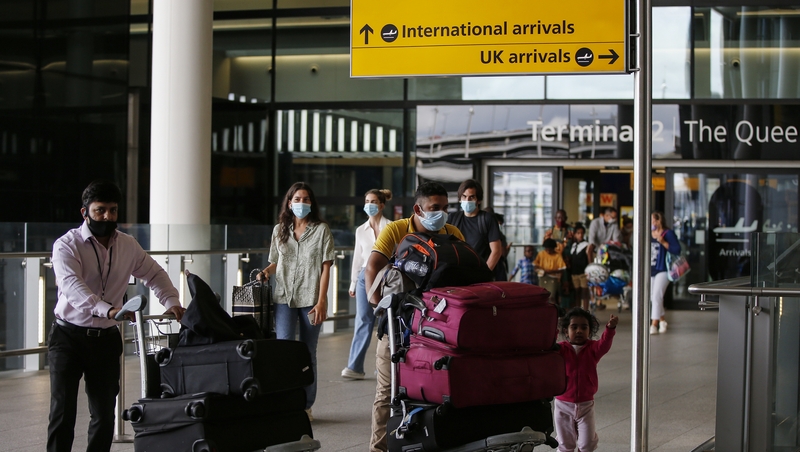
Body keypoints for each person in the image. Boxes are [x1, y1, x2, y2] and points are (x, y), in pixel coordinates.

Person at [48, 180, 185, 452]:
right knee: (62, 413)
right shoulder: (66, 245)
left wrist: (171, 302)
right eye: (100, 211)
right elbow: (73, 288)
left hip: (105, 339)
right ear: (84, 212)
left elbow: (155, 274)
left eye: (113, 210)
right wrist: (109, 309)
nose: (108, 217)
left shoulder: (128, 245)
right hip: (68, 337)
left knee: (103, 414)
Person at [365, 182, 465, 452]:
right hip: (398, 325)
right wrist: (379, 306)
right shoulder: (397, 230)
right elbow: (372, 267)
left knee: (435, 391)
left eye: (445, 208)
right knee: (387, 391)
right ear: (418, 209)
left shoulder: (452, 233)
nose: (441, 214)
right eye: (434, 208)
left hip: (436, 329)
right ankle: (379, 448)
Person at [258, 182, 335, 421]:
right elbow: (275, 261)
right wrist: (267, 272)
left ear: (311, 203)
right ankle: (285, 400)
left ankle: (305, 404)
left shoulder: (321, 230)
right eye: (297, 199)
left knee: (307, 352)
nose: (301, 203)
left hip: (311, 299)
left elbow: (326, 267)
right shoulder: (279, 230)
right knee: (284, 351)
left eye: (306, 199)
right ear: (289, 203)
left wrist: (322, 301)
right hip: (283, 299)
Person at [341, 188, 392, 380]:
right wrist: (353, 283)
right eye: (367, 201)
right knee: (363, 320)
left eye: (373, 202)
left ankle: (384, 367)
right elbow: (357, 257)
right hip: (364, 276)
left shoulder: (391, 226)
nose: (369, 205)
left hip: (387, 276)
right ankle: (354, 367)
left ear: (381, 205)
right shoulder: (360, 230)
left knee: (386, 321)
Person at [554, 308, 618, 452]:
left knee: (587, 444)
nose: (579, 331)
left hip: (586, 405)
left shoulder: (593, 349)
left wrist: (610, 329)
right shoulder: (561, 349)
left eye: (584, 327)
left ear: (590, 330)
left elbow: (604, 344)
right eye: (574, 327)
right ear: (566, 330)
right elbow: (547, 346)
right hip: (563, 405)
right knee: (565, 444)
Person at [447, 179, 503, 274]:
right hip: (458, 274)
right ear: (460, 199)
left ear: (479, 200)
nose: (467, 200)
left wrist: (484, 274)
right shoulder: (452, 218)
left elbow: (496, 251)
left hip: (480, 274)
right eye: (464, 196)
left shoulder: (487, 219)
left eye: (471, 197)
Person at [650, 210, 681, 335]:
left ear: (659, 221)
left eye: (653, 220)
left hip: (664, 269)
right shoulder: (648, 234)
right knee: (653, 297)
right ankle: (662, 320)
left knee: (657, 295)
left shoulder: (668, 234)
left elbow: (677, 249)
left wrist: (663, 242)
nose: (651, 223)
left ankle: (654, 324)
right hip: (651, 269)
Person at [534, 238, 567, 304]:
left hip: (553, 278)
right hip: (542, 277)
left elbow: (562, 269)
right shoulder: (541, 254)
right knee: (542, 297)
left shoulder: (557, 255)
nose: (548, 251)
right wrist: (539, 270)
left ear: (553, 248)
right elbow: (535, 265)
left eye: (550, 249)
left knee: (551, 296)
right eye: (547, 249)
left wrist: (551, 271)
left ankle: (553, 311)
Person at [569, 224, 591, 310]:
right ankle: (577, 310)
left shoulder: (586, 245)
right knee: (576, 293)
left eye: (582, 233)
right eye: (578, 233)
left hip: (583, 273)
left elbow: (589, 259)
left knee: (585, 293)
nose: (580, 235)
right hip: (574, 273)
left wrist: (589, 272)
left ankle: (585, 311)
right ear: (575, 234)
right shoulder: (573, 245)